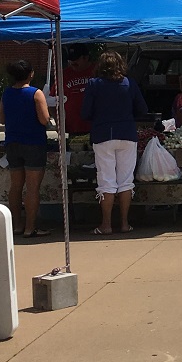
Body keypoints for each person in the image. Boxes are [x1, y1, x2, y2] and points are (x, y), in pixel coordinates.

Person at [81, 50, 149, 236]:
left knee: (107, 181)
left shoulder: (94, 84)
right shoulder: (130, 83)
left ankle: (106, 224)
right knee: (126, 181)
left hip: (103, 135)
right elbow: (142, 109)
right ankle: (125, 223)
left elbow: (85, 112)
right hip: (127, 133)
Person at [0, 59, 53, 236]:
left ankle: (17, 225)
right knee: (32, 187)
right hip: (33, 142)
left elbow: (2, 119)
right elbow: (44, 119)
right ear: (30, 74)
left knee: (16, 186)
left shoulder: (6, 93)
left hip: (12, 142)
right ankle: (31, 227)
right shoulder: (36, 93)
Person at [56, 45, 95, 135]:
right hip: (73, 127)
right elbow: (52, 100)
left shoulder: (97, 71)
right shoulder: (64, 74)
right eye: (70, 59)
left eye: (76, 59)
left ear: (86, 58)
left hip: (95, 125)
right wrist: (59, 121)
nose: (72, 62)